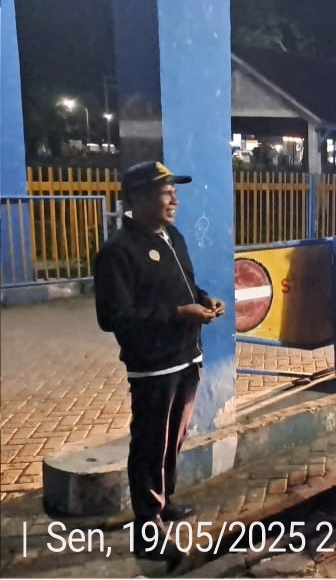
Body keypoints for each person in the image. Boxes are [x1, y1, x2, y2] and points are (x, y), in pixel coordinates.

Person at [93, 161, 225, 560]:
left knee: (173, 440)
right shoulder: (117, 252)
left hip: (186, 356)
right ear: (138, 198)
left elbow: (184, 285)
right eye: (166, 192)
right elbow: (113, 317)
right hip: (153, 366)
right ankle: (147, 532)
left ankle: (163, 502)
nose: (174, 200)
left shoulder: (172, 237)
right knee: (150, 444)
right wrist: (179, 314)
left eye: (174, 192)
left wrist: (203, 299)